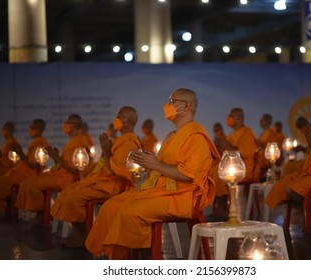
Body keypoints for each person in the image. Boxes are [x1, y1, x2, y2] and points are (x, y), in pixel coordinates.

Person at [85, 88, 220, 259]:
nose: (167, 105)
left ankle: (147, 257)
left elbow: (188, 175)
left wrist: (156, 164)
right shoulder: (173, 136)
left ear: (186, 106)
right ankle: (117, 256)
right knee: (112, 206)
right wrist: (147, 163)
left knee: (130, 211)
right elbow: (164, 166)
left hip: (182, 196)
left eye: (172, 101)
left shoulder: (196, 137)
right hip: (162, 191)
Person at [50, 106, 141, 247]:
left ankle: (83, 234)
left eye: (119, 116)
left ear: (128, 120)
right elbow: (105, 164)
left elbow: (119, 170)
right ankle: (82, 232)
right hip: (103, 182)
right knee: (68, 192)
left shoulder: (129, 142)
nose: (115, 119)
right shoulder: (120, 140)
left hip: (113, 186)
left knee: (72, 198)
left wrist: (106, 150)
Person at [15, 114, 92, 217]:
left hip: (68, 178)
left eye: (67, 123)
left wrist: (56, 157)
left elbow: (74, 169)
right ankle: (41, 213)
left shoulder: (79, 143)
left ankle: (42, 213)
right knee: (28, 182)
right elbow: (64, 164)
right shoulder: (72, 142)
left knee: (32, 184)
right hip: (60, 174)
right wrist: (56, 158)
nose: (65, 125)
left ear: (73, 126)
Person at [0, 119, 49, 212]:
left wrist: (19, 153)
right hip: (19, 170)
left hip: (27, 173)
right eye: (31, 127)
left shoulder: (40, 143)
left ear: (40, 129)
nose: (30, 129)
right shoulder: (35, 141)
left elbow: (33, 165)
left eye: (33, 127)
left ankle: (6, 207)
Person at [210, 108, 259, 218]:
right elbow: (227, 151)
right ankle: (219, 203)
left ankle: (222, 207)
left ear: (239, 118)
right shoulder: (233, 134)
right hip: (231, 165)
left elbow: (248, 154)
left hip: (243, 169)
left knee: (219, 172)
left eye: (231, 116)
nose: (228, 118)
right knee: (211, 168)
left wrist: (226, 144)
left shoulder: (246, 134)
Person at [258, 113, 279, 180]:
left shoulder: (271, 134)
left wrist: (260, 144)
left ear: (267, 121)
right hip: (261, 165)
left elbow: (272, 150)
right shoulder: (263, 134)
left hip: (267, 166)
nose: (260, 121)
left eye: (262, 120)